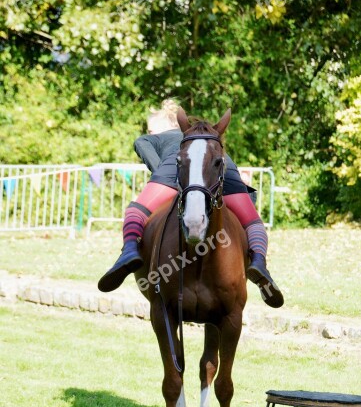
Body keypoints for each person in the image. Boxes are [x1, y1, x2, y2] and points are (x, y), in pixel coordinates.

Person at [98, 100, 284, 308]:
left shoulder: (167, 137)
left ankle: (129, 251)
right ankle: (259, 262)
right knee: (252, 221)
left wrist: (165, 174)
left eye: (151, 128)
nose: (150, 132)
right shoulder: (210, 136)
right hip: (221, 163)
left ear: (168, 125)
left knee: (137, 210)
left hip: (178, 163)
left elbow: (141, 143)